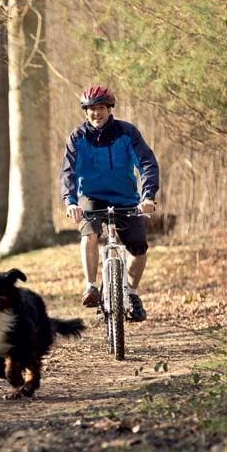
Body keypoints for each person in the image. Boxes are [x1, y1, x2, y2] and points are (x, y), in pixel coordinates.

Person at [60, 85, 159, 322]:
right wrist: (71, 201)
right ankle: (91, 286)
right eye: (92, 109)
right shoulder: (77, 137)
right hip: (92, 198)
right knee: (90, 234)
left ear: (109, 109)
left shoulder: (127, 133)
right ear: (85, 112)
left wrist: (148, 197)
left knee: (139, 248)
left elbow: (146, 163)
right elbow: (68, 172)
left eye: (101, 108)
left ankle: (132, 293)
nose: (97, 113)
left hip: (126, 199)